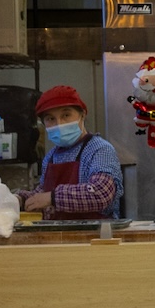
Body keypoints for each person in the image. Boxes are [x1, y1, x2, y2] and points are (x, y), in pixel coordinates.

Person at [21, 84, 123, 219]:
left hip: (96, 230)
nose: (59, 124)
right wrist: (20, 199)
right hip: (58, 231)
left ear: (82, 115)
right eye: (51, 119)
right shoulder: (51, 156)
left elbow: (101, 193)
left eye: (66, 115)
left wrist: (53, 197)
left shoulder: (100, 149)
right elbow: (43, 194)